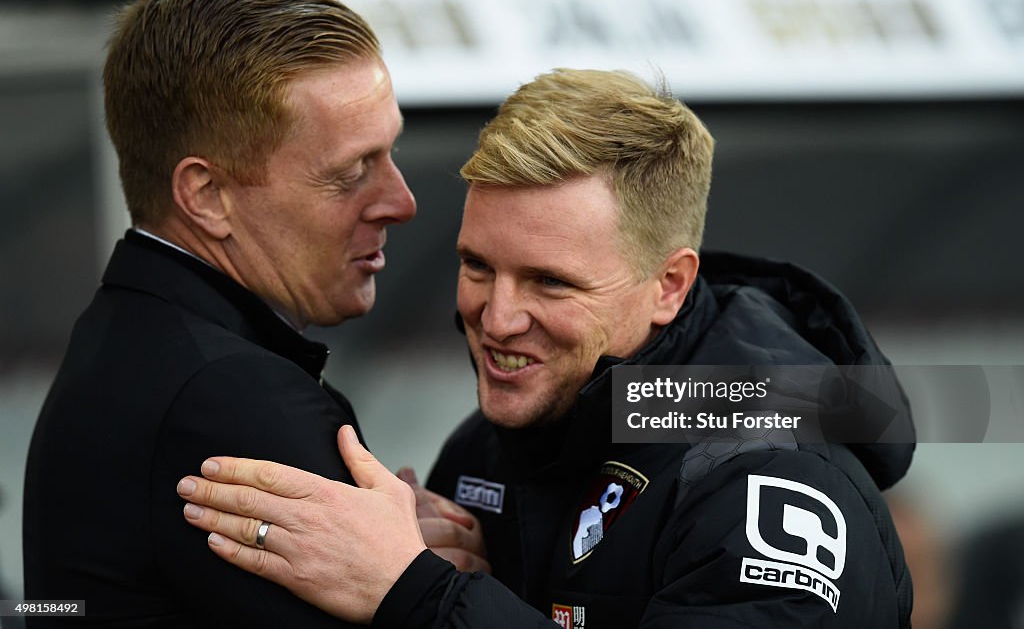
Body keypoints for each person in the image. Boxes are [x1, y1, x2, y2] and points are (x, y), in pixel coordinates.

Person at [176, 69, 915, 627]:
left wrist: (417, 592)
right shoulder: (494, 443)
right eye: (476, 267)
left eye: (549, 282)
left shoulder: (769, 480)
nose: (496, 319)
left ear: (669, 285)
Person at [22, 0, 416, 627]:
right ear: (206, 196)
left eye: (392, 153)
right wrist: (424, 584)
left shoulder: (130, 337)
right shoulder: (233, 399)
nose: (402, 202)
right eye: (352, 172)